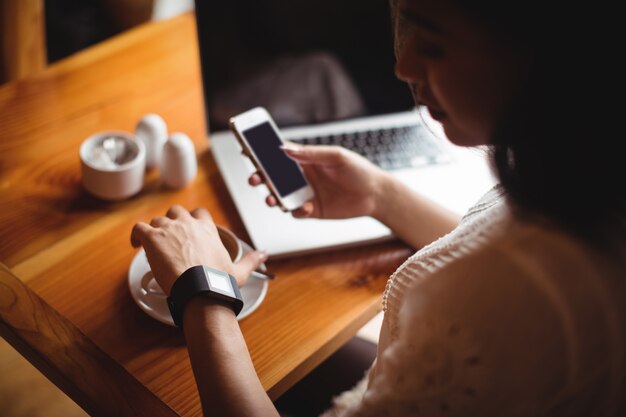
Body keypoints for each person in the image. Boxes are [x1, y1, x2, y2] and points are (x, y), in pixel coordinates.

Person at [130, 0, 626, 415]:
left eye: (433, 42)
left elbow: (501, 285)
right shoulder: (587, 179)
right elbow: (495, 244)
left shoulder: (505, 299)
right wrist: (380, 197)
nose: (403, 66)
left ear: (548, 57)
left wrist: (202, 293)